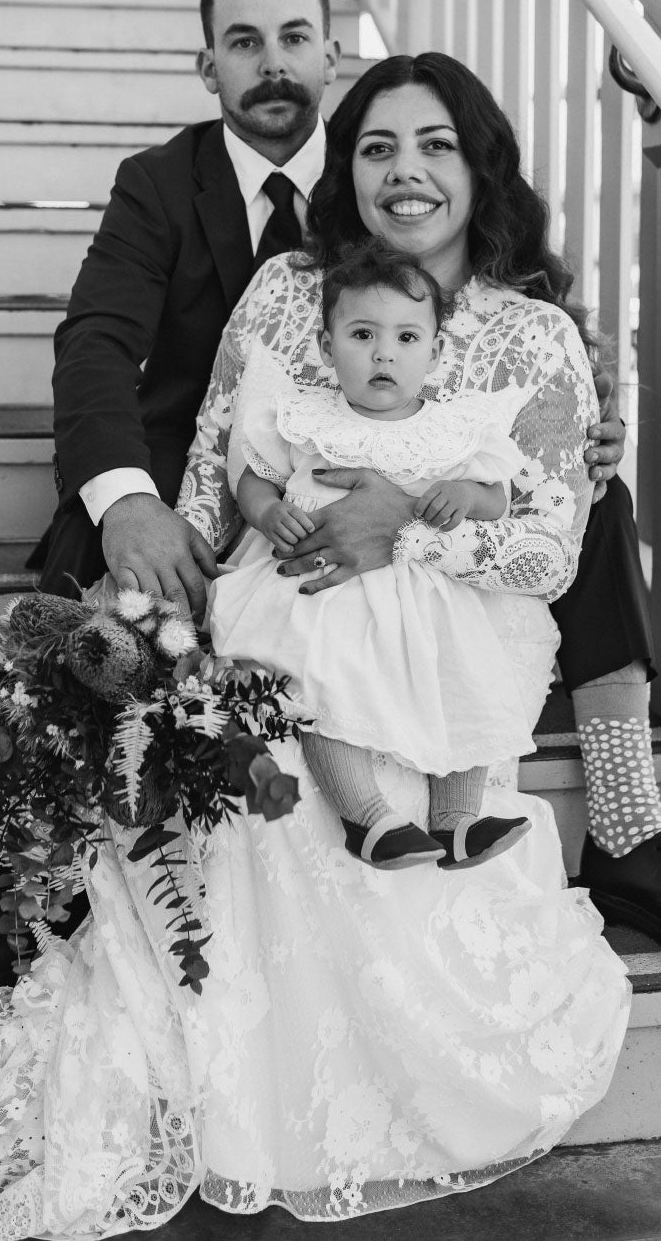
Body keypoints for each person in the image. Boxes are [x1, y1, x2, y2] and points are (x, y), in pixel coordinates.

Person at [0, 0, 661, 1009]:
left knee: (603, 503)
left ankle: (631, 829)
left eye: (434, 146)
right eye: (244, 41)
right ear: (213, 67)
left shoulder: (522, 314)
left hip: (441, 578)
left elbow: (535, 492)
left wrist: (497, 478)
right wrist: (150, 504)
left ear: (329, 58)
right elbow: (111, 357)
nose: (403, 168)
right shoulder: (231, 242)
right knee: (117, 558)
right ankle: (43, 863)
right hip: (218, 484)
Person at [0, 55, 633, 1236]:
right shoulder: (284, 294)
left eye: (437, 144)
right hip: (280, 634)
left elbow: (551, 549)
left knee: (378, 788)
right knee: (260, 768)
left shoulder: (536, 335)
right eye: (378, 147)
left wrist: (400, 525)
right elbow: (211, 475)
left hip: (436, 657)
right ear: (344, 169)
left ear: (480, 163)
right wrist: (158, 638)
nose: (406, 171)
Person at [213, 238, 535, 870]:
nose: (384, 353)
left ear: (436, 352)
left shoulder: (452, 428)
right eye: (362, 334)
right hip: (323, 590)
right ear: (328, 347)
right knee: (321, 684)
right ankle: (368, 820)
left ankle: (459, 821)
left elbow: (500, 498)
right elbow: (252, 475)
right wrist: (267, 511)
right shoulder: (305, 417)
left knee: (462, 681)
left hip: (418, 596)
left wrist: (465, 494)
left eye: (407, 339)